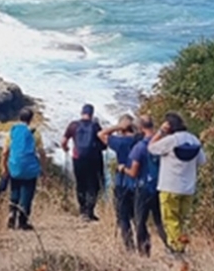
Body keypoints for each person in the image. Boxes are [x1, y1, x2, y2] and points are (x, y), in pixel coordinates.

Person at [147, 112, 205, 257]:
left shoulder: (171, 140)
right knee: (182, 220)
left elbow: (151, 148)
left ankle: (176, 250)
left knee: (170, 220)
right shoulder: (194, 140)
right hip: (188, 189)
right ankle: (182, 247)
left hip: (169, 186)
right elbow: (202, 160)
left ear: (169, 126)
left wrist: (160, 132)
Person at [125, 115, 167, 257]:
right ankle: (172, 248)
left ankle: (144, 252)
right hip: (161, 186)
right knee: (160, 221)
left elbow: (133, 172)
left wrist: (123, 169)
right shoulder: (163, 143)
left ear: (140, 128)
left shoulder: (140, 147)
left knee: (140, 221)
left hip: (143, 188)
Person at [1, 107, 46, 231]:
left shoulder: (12, 132)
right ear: (31, 119)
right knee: (27, 193)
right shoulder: (34, 133)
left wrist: (4, 167)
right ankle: (22, 221)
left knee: (14, 190)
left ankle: (11, 215)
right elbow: (42, 153)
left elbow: (4, 152)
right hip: (30, 168)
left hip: (14, 166)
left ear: (19, 117)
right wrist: (43, 169)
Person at [100, 114, 141, 251]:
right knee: (137, 216)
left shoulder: (119, 142)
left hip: (122, 181)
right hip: (138, 182)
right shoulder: (139, 141)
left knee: (123, 217)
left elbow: (101, 134)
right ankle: (143, 245)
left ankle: (129, 246)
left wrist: (118, 127)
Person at [61, 103, 105, 221]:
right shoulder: (95, 126)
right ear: (92, 114)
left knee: (81, 184)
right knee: (93, 184)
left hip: (78, 158)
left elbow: (63, 141)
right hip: (93, 159)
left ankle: (82, 210)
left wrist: (65, 149)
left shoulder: (73, 125)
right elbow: (104, 142)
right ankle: (90, 211)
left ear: (82, 113)